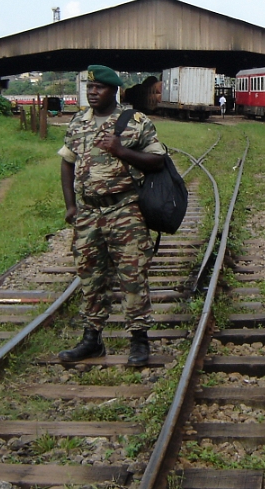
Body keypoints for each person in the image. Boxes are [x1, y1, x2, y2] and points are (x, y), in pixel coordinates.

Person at [58, 65, 166, 365]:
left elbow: (158, 161)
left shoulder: (135, 122)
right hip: (89, 212)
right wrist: (71, 206)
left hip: (125, 210)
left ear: (114, 90)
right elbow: (67, 162)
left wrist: (122, 151)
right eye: (89, 88)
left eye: (99, 88)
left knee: (133, 277)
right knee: (91, 277)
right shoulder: (79, 122)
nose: (92, 93)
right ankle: (92, 339)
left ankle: (139, 341)